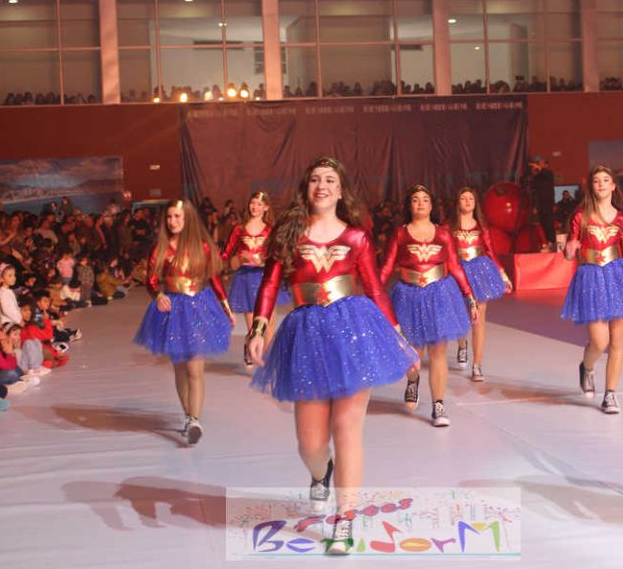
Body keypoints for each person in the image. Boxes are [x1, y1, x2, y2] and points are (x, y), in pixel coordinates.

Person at [247, 157, 418, 555]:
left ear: (341, 191)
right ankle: (321, 472)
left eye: (329, 180)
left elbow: (375, 289)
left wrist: (399, 337)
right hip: (305, 335)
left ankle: (345, 518)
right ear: (305, 188)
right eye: (314, 179)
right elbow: (270, 284)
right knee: (310, 443)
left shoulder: (357, 237)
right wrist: (257, 328)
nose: (321, 185)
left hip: (352, 331)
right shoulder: (288, 235)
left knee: (347, 428)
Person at [134, 199, 236, 446]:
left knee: (194, 369)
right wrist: (157, 295)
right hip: (174, 310)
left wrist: (226, 307)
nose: (173, 221)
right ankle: (189, 417)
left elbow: (214, 279)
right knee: (180, 368)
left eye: (177, 216)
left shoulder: (202, 247)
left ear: (187, 218)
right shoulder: (161, 248)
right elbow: (151, 280)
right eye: (169, 217)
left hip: (199, 307)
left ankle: (195, 419)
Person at [562, 165, 623, 414]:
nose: (601, 184)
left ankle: (611, 393)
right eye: (596, 180)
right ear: (591, 187)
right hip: (591, 279)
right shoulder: (580, 217)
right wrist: (569, 250)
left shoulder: (622, 219)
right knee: (599, 340)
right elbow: (570, 250)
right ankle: (587, 366)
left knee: (617, 342)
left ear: (613, 186)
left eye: (606, 180)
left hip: (619, 277)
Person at [379, 185, 477, 428]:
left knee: (438, 352)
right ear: (409, 205)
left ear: (432, 205)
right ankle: (413, 380)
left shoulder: (443, 234)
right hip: (408, 297)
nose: (420, 203)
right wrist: (372, 296)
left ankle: (438, 404)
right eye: (415, 199)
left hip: (439, 295)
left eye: (425, 199)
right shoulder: (400, 234)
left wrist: (469, 297)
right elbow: (386, 267)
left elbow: (455, 266)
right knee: (412, 353)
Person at [220, 191, 289, 368]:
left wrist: (264, 260)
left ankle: (267, 364)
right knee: (253, 327)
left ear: (266, 207)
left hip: (267, 278)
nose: (255, 207)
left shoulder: (271, 229)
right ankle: (249, 347)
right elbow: (226, 254)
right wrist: (236, 260)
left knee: (269, 325)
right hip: (246, 279)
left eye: (259, 204)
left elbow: (279, 254)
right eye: (253, 203)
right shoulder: (239, 229)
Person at [449, 187, 512, 382]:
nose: (468, 201)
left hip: (478, 272)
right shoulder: (449, 227)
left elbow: (491, 252)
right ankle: (462, 345)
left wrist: (503, 275)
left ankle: (477, 365)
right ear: (458, 202)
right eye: (463, 198)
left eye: (471, 198)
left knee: (478, 319)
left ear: (475, 203)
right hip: (457, 272)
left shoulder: (481, 227)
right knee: (460, 314)